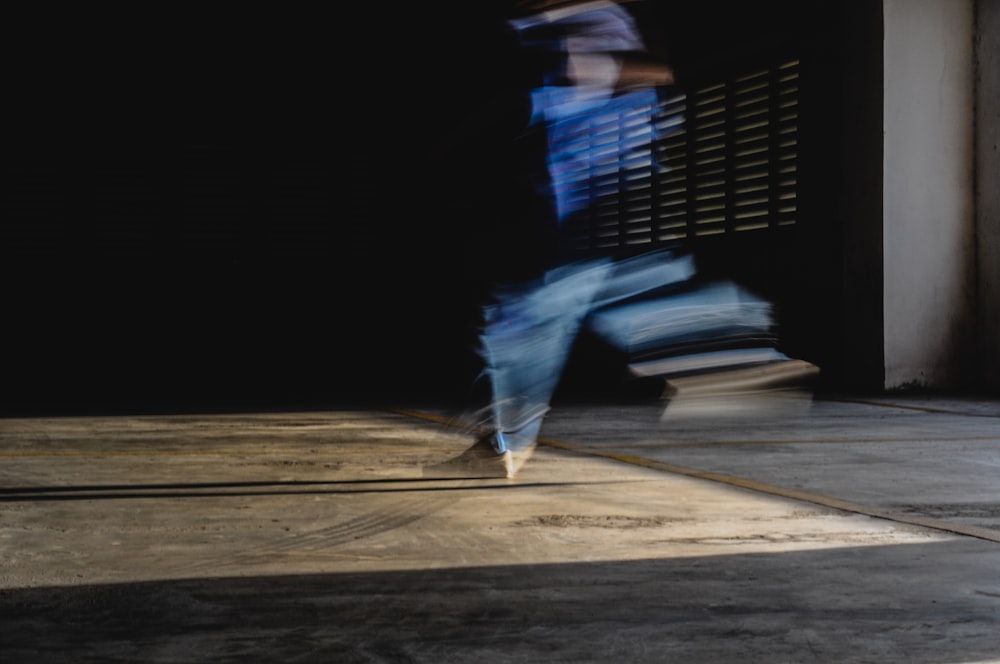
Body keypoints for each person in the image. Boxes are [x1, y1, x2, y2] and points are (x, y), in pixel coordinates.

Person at [426, 0, 814, 479]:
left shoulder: (596, 19)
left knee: (559, 312)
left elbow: (653, 73)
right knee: (530, 323)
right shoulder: (548, 31)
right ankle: (501, 448)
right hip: (572, 205)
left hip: (604, 200)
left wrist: (601, 80)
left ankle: (742, 354)